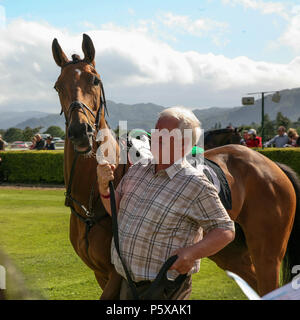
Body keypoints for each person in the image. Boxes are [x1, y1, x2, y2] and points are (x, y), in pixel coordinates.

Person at [97, 107, 235, 300]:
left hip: (162, 290)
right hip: (123, 281)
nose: (154, 136)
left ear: (183, 143)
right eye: (155, 130)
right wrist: (104, 187)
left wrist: (191, 254)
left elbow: (225, 230)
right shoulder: (139, 169)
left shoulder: (195, 183)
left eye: (163, 134)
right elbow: (117, 210)